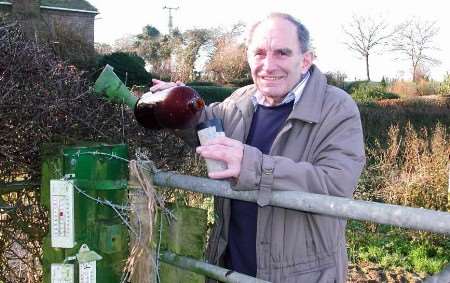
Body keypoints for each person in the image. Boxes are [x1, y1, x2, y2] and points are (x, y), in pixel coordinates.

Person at [151, 12, 365, 283]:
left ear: (306, 60)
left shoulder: (336, 108)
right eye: (259, 53)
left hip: (301, 276)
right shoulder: (241, 100)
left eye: (282, 53)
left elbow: (336, 183)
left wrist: (253, 166)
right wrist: (176, 105)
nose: (268, 65)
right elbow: (203, 125)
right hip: (231, 270)